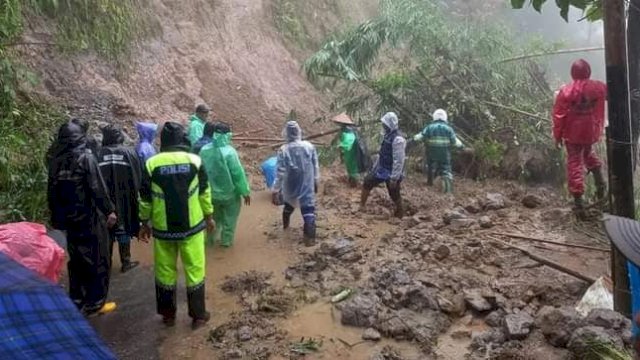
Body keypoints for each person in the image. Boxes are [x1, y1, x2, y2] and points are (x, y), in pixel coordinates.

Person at [138, 121, 215, 329]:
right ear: (182, 139)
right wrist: (209, 216)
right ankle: (198, 316)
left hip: (163, 230)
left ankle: (168, 315)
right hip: (192, 228)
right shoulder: (195, 161)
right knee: (195, 269)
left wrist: (144, 223)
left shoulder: (151, 164)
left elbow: (145, 199)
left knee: (164, 271)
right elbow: (204, 193)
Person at [47, 121, 117, 316]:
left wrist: (56, 219)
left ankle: (77, 299)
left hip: (69, 220)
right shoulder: (85, 158)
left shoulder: (56, 161)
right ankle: (96, 302)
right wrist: (109, 210)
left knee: (76, 259)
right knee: (98, 258)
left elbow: (51, 192)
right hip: (90, 216)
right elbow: (97, 187)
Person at [553, 59, 607, 214]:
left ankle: (579, 203)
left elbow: (559, 116)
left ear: (572, 73)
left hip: (572, 134)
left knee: (575, 162)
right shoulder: (599, 87)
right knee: (588, 153)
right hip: (591, 131)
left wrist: (557, 136)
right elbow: (613, 93)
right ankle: (601, 185)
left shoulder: (566, 91)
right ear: (588, 71)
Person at [98, 125, 142, 273]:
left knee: (107, 230)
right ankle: (126, 261)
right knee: (123, 229)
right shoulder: (129, 152)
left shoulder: (98, 154)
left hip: (105, 199)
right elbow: (138, 176)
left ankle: (106, 263)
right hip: (125, 198)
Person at [199, 122, 251, 247]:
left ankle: (209, 243)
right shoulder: (230, 152)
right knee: (229, 221)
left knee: (212, 220)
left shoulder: (204, 150)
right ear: (228, 136)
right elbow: (237, 174)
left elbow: (200, 174)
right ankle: (225, 244)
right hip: (229, 195)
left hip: (210, 194)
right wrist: (245, 192)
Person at [272, 121, 320, 246]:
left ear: (286, 133)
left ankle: (285, 228)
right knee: (308, 211)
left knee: (288, 207)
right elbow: (315, 165)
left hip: (290, 184)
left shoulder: (283, 150)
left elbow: (280, 172)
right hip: (306, 183)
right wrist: (316, 181)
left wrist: (275, 190)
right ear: (299, 131)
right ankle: (310, 242)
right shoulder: (309, 146)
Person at [360, 112, 406, 218]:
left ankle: (400, 211)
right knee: (367, 181)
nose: (383, 125)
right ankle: (361, 206)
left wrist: (394, 178)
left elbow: (399, 160)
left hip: (392, 170)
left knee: (394, 192)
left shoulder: (398, 139)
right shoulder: (387, 135)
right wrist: (375, 167)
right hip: (382, 169)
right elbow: (382, 153)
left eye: (385, 124)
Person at [413, 109, 463, 193]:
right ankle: (447, 190)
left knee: (430, 166)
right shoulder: (449, 129)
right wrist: (462, 146)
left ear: (434, 117)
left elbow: (420, 136)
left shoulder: (429, 127)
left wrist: (413, 139)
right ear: (445, 118)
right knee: (446, 169)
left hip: (431, 153)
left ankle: (430, 182)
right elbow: (455, 142)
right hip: (444, 154)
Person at [333, 113, 360, 187]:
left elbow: (347, 141)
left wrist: (341, 147)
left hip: (350, 150)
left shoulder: (345, 131)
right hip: (352, 149)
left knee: (351, 166)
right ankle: (353, 181)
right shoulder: (351, 130)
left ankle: (353, 182)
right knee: (352, 166)